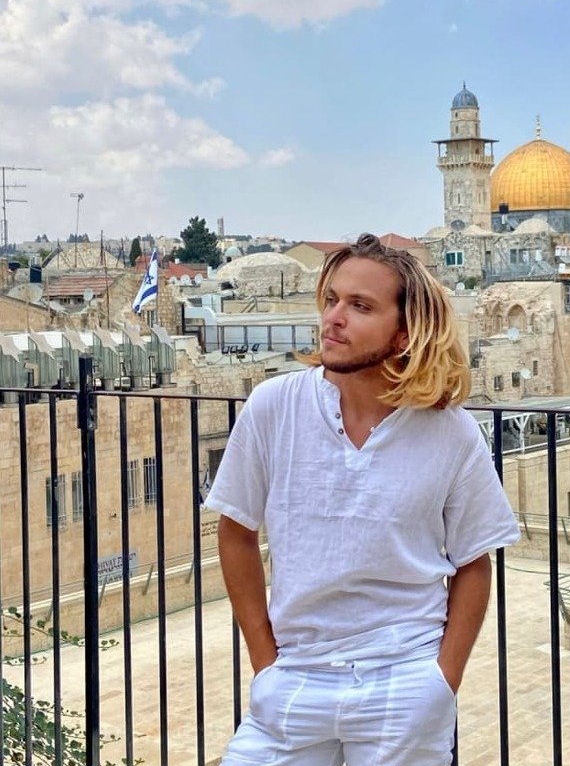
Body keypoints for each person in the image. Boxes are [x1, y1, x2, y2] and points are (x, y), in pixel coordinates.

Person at [204, 234, 519, 766]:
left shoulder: (450, 432)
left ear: (403, 334)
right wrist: (266, 663)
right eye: (331, 300)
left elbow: (474, 562)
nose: (334, 318)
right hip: (295, 679)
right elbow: (235, 529)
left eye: (360, 306)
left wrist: (442, 680)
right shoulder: (273, 407)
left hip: (404, 681)